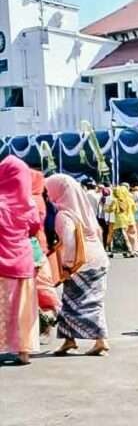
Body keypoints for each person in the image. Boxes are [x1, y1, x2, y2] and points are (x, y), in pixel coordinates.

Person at [45, 174, 110, 356]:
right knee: (78, 301)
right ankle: (69, 340)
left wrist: (66, 266)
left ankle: (101, 340)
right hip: (98, 258)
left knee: (80, 302)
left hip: (81, 263)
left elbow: (70, 242)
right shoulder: (84, 210)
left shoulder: (64, 214)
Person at [0, 156, 41, 365]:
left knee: (3, 307)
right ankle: (24, 351)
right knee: (24, 309)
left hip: (1, 263)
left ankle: (4, 345)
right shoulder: (29, 204)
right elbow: (35, 228)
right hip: (23, 261)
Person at [30, 170, 61, 333]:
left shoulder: (29, 200)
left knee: (35, 287)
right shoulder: (43, 201)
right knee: (45, 284)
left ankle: (42, 320)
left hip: (35, 246)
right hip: (43, 246)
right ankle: (46, 317)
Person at [108, 185, 138, 258]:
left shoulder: (115, 200)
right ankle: (125, 251)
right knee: (124, 236)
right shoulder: (129, 199)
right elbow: (135, 209)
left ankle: (129, 251)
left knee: (120, 236)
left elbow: (111, 209)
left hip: (119, 220)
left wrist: (106, 207)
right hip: (127, 219)